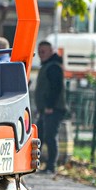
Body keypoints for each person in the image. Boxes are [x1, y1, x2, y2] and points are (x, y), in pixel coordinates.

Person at [35, 41, 67, 174]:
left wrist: (49, 106)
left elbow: (55, 88)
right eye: (39, 52)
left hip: (53, 109)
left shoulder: (53, 67)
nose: (41, 54)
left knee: (49, 136)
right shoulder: (48, 66)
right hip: (46, 109)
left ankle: (51, 166)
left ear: (51, 51)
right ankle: (38, 164)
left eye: (43, 51)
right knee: (40, 136)